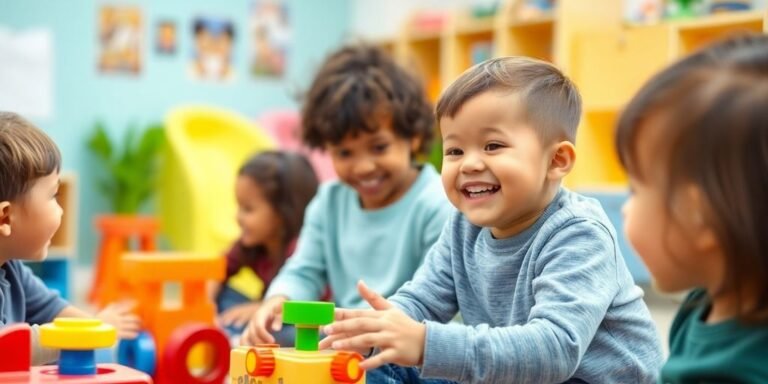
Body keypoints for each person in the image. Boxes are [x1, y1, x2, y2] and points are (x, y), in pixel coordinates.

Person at [321, 57, 663, 383]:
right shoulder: (462, 226)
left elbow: (555, 349)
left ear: (557, 160)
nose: (468, 164)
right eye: (455, 150)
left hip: (583, 379)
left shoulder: (579, 233)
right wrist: (374, 329)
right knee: (374, 365)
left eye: (493, 145)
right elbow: (422, 300)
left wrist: (426, 343)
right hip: (506, 375)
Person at [241, 44, 453, 346]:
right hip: (339, 339)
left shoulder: (436, 204)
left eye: (379, 147)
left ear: (413, 136)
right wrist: (276, 301)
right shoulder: (329, 201)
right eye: (344, 153)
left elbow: (437, 302)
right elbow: (304, 271)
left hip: (404, 345)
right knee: (254, 334)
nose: (364, 167)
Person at [616, 34, 768, 383]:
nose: (625, 210)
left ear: (699, 217)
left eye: (635, 190)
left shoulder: (735, 372)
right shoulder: (705, 302)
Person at [0, 111, 140, 364]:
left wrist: (98, 326)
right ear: (6, 218)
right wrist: (83, 334)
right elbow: (9, 348)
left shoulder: (12, 269)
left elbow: (53, 310)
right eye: (53, 196)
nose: (61, 209)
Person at [215, 151, 318, 338]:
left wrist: (262, 308)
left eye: (248, 209)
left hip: (293, 324)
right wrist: (206, 309)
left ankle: (238, 336)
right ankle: (230, 333)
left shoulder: (302, 249)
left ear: (281, 213)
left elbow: (311, 304)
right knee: (223, 296)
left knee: (290, 334)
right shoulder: (250, 245)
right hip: (260, 315)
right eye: (239, 207)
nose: (238, 217)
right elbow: (216, 270)